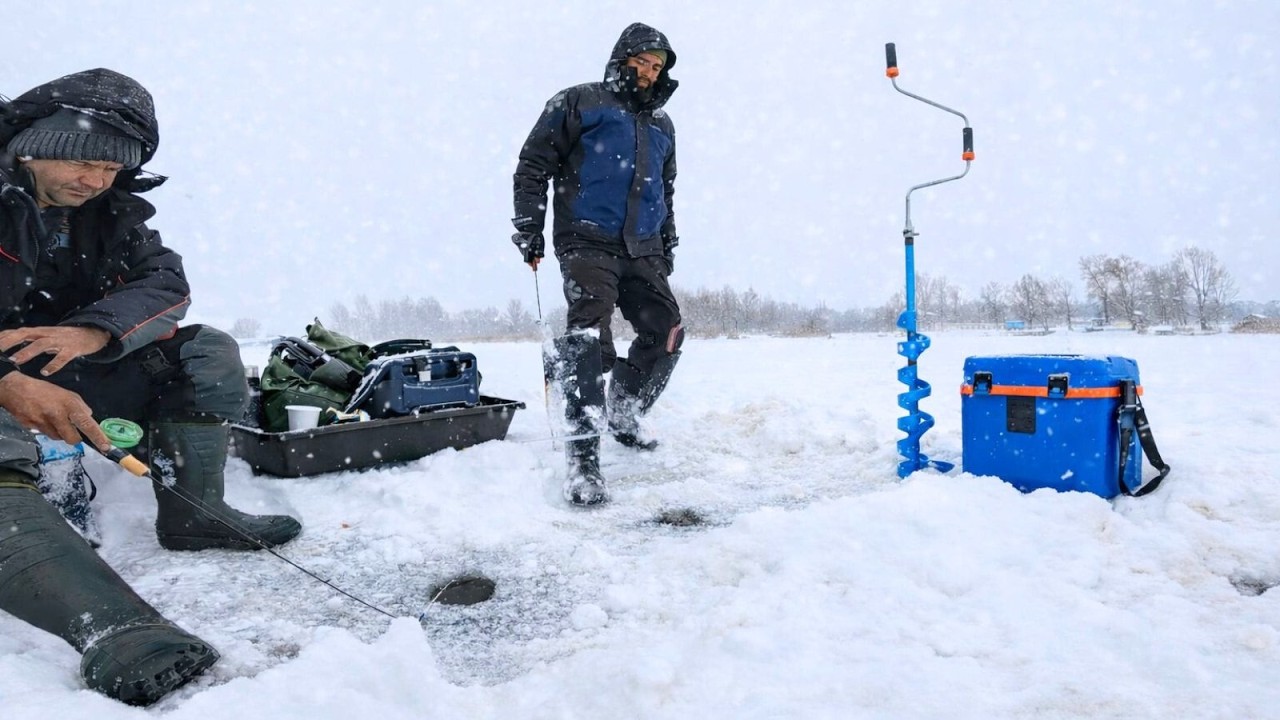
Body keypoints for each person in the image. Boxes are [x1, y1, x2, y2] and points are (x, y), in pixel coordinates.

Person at [0, 68, 301, 705]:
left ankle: (196, 512)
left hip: (59, 362)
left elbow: (166, 286)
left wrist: (91, 333)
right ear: (33, 142)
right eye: (81, 160)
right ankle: (113, 626)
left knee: (204, 352)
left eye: (110, 170)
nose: (94, 180)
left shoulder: (112, 216)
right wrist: (8, 383)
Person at [512, 22, 685, 507]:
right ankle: (583, 458)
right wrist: (530, 225)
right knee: (587, 341)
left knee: (668, 331)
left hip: (644, 246)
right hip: (587, 239)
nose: (650, 73)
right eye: (644, 63)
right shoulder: (578, 103)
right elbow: (533, 165)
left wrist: (666, 243)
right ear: (623, 58)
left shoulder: (662, 125)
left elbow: (665, 191)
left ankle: (625, 412)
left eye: (658, 67)